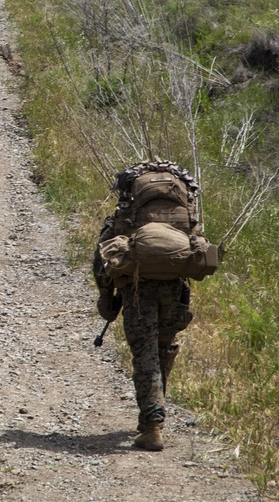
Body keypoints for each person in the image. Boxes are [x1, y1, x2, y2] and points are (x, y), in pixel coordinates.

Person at [93, 160, 205, 451]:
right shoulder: (185, 211)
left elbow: (103, 256)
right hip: (174, 289)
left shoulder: (127, 213)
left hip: (137, 290)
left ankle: (152, 425)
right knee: (163, 349)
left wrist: (106, 300)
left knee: (145, 354)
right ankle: (154, 417)